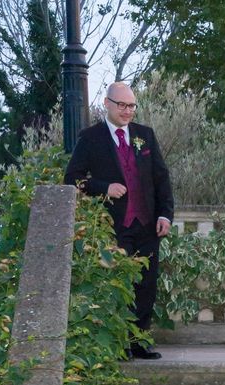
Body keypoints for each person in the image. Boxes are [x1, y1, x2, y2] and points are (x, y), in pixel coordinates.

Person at [64, 82, 174, 360]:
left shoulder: (145, 135)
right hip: (113, 226)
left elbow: (161, 179)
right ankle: (117, 345)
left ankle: (139, 342)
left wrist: (165, 214)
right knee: (117, 284)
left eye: (132, 106)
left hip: (147, 224)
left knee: (146, 284)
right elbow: (72, 179)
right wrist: (104, 187)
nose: (128, 111)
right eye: (122, 105)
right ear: (107, 103)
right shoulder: (90, 138)